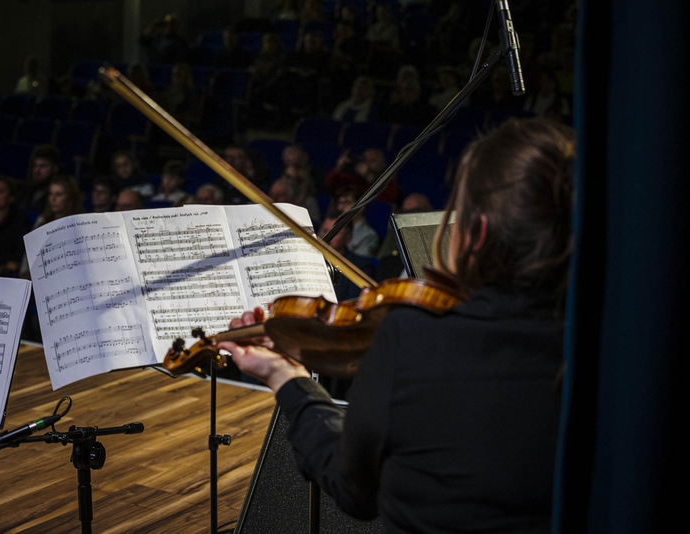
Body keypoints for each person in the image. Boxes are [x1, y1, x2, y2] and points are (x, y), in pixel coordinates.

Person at [218, 117, 574, 532]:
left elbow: (352, 489)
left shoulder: (415, 339)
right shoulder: (617, 346)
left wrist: (287, 378)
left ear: (477, 232)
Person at [18, 144, 63, 214]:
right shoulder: (26, 191)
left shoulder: (59, 195)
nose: (37, 171)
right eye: (35, 166)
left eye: (43, 166)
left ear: (55, 169)